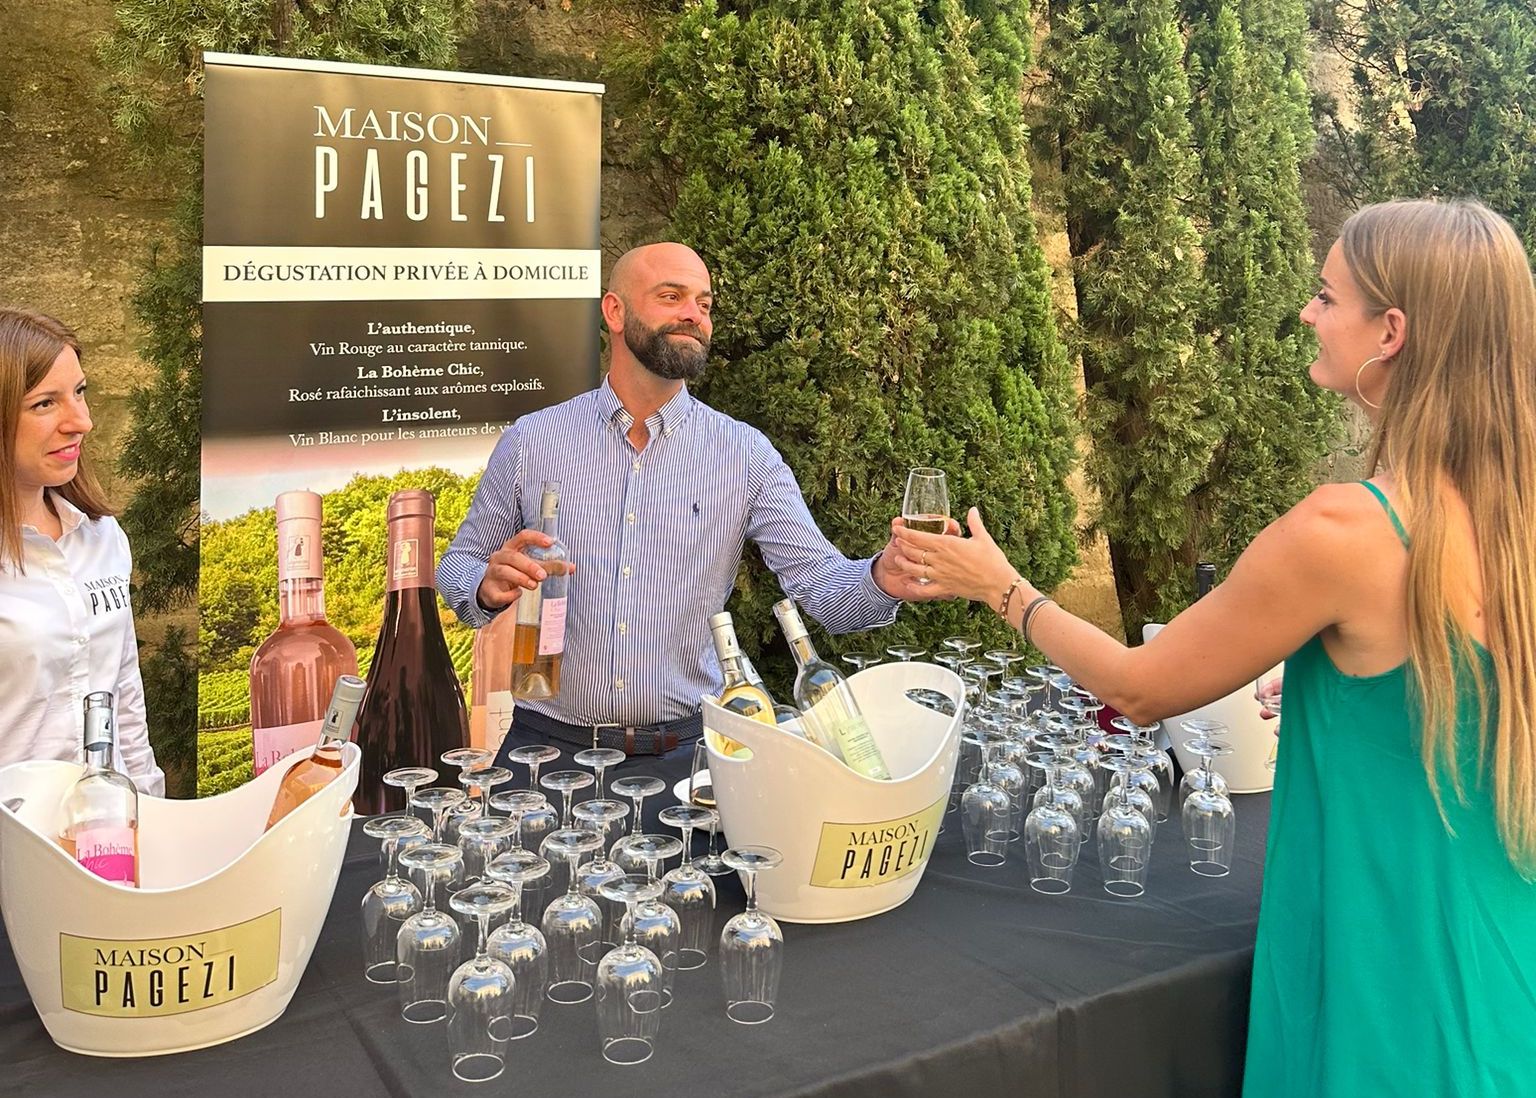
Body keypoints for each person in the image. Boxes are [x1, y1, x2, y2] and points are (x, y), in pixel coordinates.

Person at [892, 198, 1536, 1095]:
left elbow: (1140, 688)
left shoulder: (1347, 530)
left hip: (1389, 987)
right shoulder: (1514, 525)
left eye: (1326, 296)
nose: (1307, 313)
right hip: (1506, 983)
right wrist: (1339, 684)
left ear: (1390, 332)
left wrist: (999, 587)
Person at [439, 242, 943, 795]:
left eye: (703, 303)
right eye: (671, 296)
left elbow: (822, 587)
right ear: (614, 311)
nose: (693, 315)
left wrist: (883, 577)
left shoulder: (744, 454)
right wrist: (485, 586)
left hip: (690, 757)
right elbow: (458, 566)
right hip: (547, 750)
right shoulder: (532, 441)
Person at [0, 308, 163, 794]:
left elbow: (125, 695)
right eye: (44, 403)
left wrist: (149, 805)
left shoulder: (102, 537)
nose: (82, 422)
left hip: (107, 822)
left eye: (79, 391)